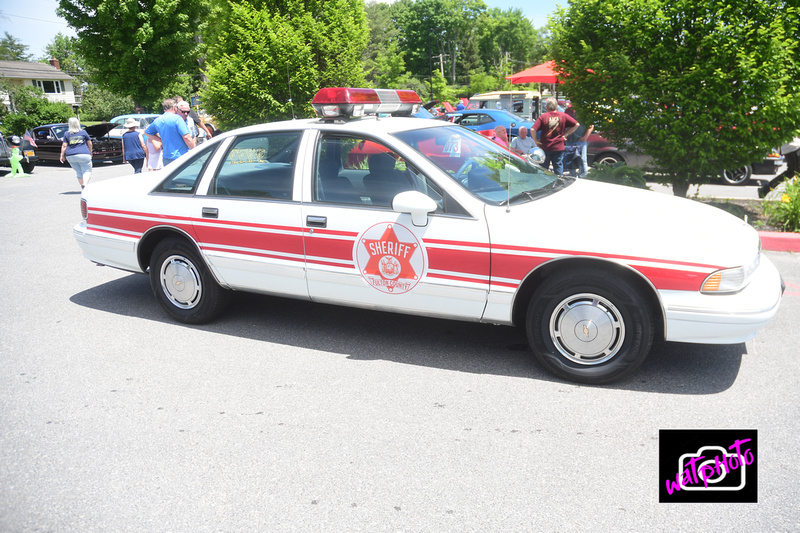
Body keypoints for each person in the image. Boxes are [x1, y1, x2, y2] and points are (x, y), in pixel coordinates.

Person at [532, 97, 580, 174]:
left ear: (547, 107)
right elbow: (576, 124)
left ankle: (544, 184)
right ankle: (559, 183)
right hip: (558, 147)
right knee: (558, 166)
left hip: (545, 146)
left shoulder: (543, 117)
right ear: (557, 106)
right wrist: (566, 134)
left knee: (543, 168)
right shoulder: (563, 115)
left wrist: (536, 140)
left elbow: (533, 129)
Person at [144, 98, 195, 165]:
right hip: (181, 156)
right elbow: (186, 137)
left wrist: (160, 140)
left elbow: (147, 132)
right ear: (174, 107)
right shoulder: (177, 119)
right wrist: (195, 150)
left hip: (166, 157)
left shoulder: (158, 120)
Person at [59, 117, 93, 189]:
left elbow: (64, 145)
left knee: (79, 172)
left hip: (71, 156)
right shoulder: (83, 132)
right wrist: (90, 151)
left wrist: (62, 155)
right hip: (83, 154)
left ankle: (83, 187)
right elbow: (89, 143)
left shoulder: (66, 134)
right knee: (87, 170)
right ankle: (85, 185)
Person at [565, 106, 594, 177]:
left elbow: (591, 126)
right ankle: (572, 175)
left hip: (580, 140)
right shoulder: (568, 110)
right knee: (570, 159)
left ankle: (584, 175)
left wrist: (585, 137)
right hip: (570, 140)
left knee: (582, 159)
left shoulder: (583, 111)